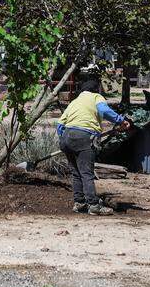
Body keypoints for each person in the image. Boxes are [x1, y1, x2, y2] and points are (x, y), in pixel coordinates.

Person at [56, 77, 130, 215]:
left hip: (66, 138)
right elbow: (104, 111)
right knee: (86, 173)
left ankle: (79, 203)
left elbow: (59, 125)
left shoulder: (74, 102)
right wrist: (121, 120)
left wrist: (67, 139)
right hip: (84, 137)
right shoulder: (96, 97)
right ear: (96, 89)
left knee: (76, 173)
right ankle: (94, 206)